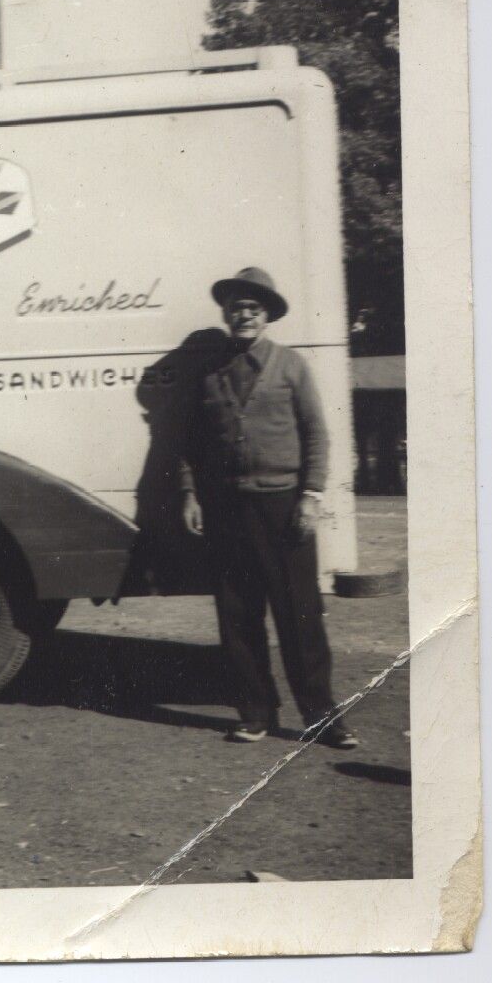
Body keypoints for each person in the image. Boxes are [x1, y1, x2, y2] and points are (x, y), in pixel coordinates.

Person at [178, 267, 358, 748]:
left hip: (284, 508)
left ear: (266, 316)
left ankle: (323, 716)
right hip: (226, 510)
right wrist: (191, 493)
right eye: (237, 307)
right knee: (238, 616)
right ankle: (255, 712)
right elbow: (191, 442)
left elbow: (317, 433)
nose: (244, 315)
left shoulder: (291, 366)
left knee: (300, 616)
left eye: (253, 308)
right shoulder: (210, 374)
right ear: (226, 313)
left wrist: (312, 495)